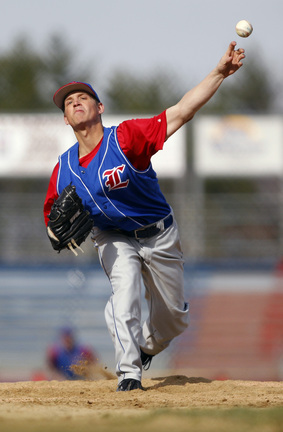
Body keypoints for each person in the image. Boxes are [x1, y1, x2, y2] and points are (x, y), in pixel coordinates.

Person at [44, 41, 245, 391]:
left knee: (174, 321)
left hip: (159, 233)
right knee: (126, 291)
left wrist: (219, 73)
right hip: (112, 237)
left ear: (100, 107)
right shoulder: (63, 170)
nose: (75, 102)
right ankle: (130, 374)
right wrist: (55, 233)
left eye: (82, 97)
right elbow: (52, 221)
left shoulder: (126, 139)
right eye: (68, 103)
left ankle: (143, 346)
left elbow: (181, 112)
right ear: (65, 118)